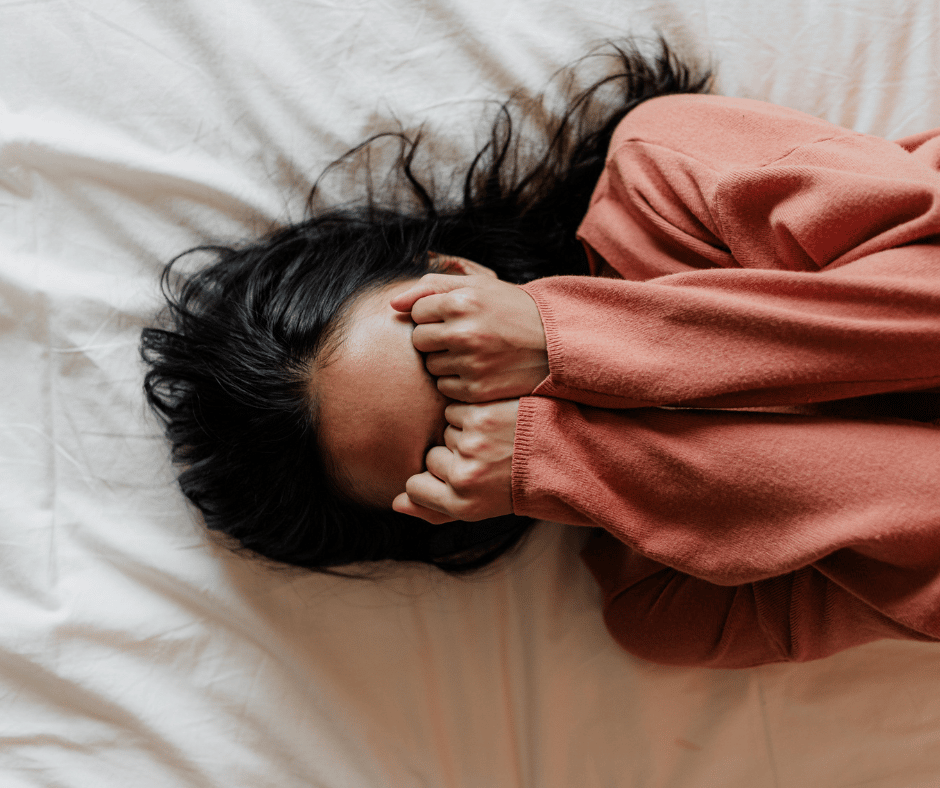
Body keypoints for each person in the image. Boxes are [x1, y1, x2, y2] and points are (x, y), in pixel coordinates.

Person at [141, 40, 940, 668]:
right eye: (454, 440)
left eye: (446, 356)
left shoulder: (661, 180)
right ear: (456, 509)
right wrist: (577, 456)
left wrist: (562, 337)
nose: (501, 401)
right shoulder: (667, 604)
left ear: (454, 273)